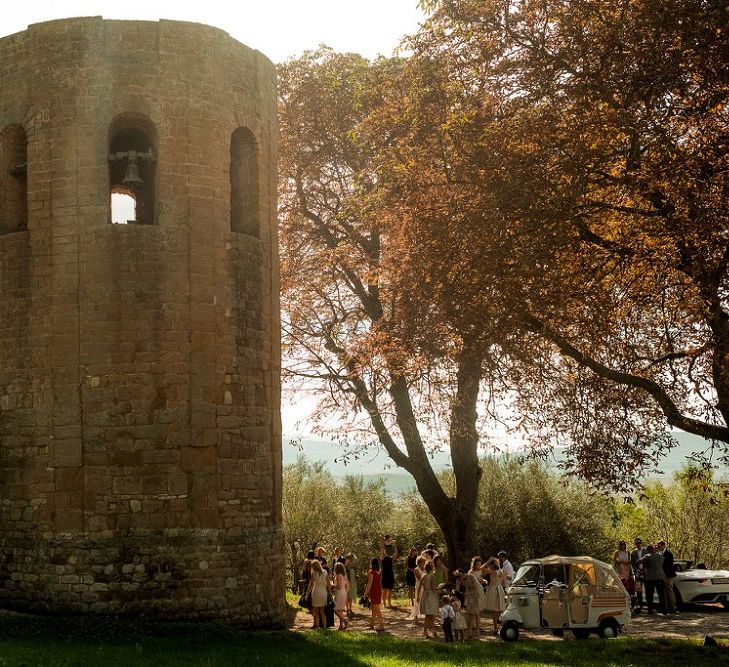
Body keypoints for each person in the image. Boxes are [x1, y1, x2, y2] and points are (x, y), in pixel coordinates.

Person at [482, 557, 506, 634]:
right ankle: (502, 626)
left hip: (493, 590)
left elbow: (481, 568)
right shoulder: (501, 571)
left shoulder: (493, 572)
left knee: (494, 610)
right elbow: (503, 581)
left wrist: (487, 562)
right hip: (500, 589)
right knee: (500, 609)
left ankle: (496, 628)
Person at [640, 544, 667, 614]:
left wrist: (645, 566)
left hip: (650, 578)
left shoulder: (647, 556)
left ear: (648, 550)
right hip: (660, 577)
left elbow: (638, 561)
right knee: (661, 594)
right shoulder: (660, 556)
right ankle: (664, 610)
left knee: (649, 594)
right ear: (653, 549)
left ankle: (650, 610)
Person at [306, 558, 330, 629]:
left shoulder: (313, 573)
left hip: (316, 592)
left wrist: (307, 593)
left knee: (316, 612)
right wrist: (330, 593)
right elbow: (328, 584)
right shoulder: (325, 572)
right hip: (323, 592)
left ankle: (316, 625)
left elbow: (311, 584)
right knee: (322, 611)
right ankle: (325, 627)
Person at [418, 561, 439, 638]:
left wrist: (417, 596)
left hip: (425, 595)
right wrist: (440, 587)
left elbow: (419, 587)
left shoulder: (423, 575)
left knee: (429, 615)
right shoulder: (432, 577)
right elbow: (434, 588)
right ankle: (427, 631)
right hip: (431, 596)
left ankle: (430, 631)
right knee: (431, 615)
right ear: (432, 567)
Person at [465, 557, 484, 640]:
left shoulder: (480, 571)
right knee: (470, 614)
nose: (479, 566)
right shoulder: (470, 573)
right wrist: (477, 581)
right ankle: (469, 631)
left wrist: (481, 581)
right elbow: (469, 584)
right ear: (474, 564)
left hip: (478, 592)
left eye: (480, 564)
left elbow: (479, 581)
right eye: (477, 564)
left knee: (477, 613)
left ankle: (477, 631)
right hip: (471, 593)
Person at [364, 557, 385, 631]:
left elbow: (369, 584)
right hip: (378, 590)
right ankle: (372, 624)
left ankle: (382, 626)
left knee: (377, 609)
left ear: (371, 563)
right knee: (374, 608)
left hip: (373, 591)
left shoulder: (371, 572)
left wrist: (365, 592)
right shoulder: (378, 572)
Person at [657, 540, 677, 614]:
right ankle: (667, 606)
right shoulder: (660, 553)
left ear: (663, 545)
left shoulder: (668, 554)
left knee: (670, 591)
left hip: (669, 575)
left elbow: (667, 565)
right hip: (663, 576)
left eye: (659, 546)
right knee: (665, 592)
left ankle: (673, 607)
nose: (658, 547)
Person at [630, 538, 648, 613]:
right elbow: (632, 563)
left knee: (648, 589)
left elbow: (648, 561)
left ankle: (649, 605)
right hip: (637, 573)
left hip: (646, 573)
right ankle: (640, 605)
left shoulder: (646, 551)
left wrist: (645, 569)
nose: (638, 544)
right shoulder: (633, 553)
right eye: (637, 543)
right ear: (635, 544)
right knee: (639, 590)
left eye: (639, 543)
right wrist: (636, 570)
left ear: (641, 543)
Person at [380, 535, 397, 609]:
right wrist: (382, 542)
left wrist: (395, 544)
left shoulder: (391, 558)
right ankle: (384, 603)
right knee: (384, 590)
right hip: (385, 574)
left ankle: (389, 603)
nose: (384, 550)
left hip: (390, 574)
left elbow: (396, 553)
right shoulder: (382, 558)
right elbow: (381, 549)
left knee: (390, 589)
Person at [408, 555, 427, 622]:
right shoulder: (416, 569)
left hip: (425, 587)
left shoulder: (425, 569)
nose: (424, 563)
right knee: (417, 601)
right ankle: (415, 617)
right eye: (423, 562)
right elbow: (420, 578)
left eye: (424, 562)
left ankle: (425, 617)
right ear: (419, 562)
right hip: (419, 586)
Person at [333, 562, 350, 630]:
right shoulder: (344, 575)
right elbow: (348, 585)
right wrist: (346, 591)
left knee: (335, 609)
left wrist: (333, 586)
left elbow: (339, 586)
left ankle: (345, 621)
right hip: (344, 592)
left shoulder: (338, 575)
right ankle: (341, 626)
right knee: (340, 609)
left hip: (339, 593)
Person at [345, 553, 358, 618]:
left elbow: (356, 572)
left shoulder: (354, 565)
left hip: (353, 582)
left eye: (352, 558)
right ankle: (347, 610)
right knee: (347, 596)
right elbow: (344, 572)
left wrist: (356, 577)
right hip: (347, 582)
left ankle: (350, 609)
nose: (351, 559)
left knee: (351, 596)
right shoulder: (346, 565)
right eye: (350, 558)